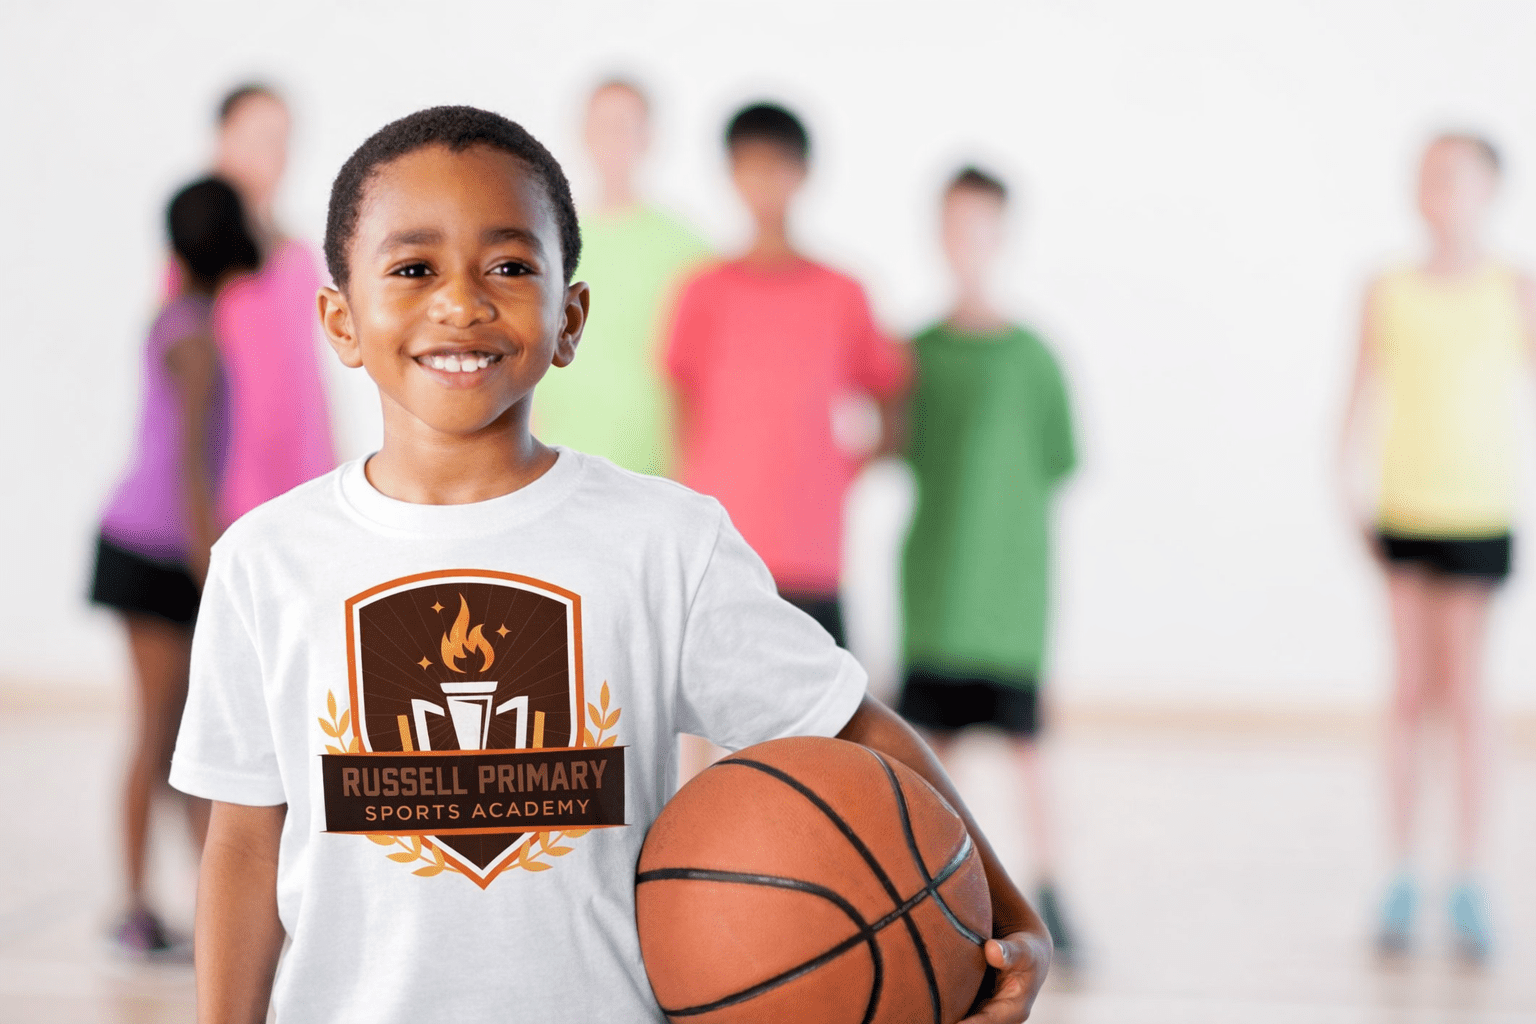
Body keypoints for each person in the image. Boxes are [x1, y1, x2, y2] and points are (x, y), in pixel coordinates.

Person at [168, 105, 1050, 1023]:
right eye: (413, 267)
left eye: (509, 266)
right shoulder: (266, 561)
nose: (461, 300)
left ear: (571, 317)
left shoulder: (665, 542)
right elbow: (244, 839)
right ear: (342, 322)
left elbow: (848, 724)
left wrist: (1012, 911)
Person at [1338, 133, 1536, 960]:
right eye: (1429, 177)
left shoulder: (1511, 289)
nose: (1440, 192)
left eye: (1456, 177)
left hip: (1478, 513)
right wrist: (1346, 492)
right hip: (1405, 511)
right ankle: (1401, 873)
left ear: (1489, 188)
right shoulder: (1385, 289)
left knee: (1467, 695)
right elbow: (1356, 393)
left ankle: (1468, 878)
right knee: (1408, 694)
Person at [896, 167, 1080, 962]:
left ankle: (1055, 895)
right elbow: (888, 445)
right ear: (938, 235)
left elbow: (1057, 465)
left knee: (1030, 755)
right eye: (954, 226)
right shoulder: (913, 355)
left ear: (1002, 236)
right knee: (923, 766)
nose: (967, 244)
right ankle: (918, 898)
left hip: (1010, 605)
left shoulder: (1035, 359)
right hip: (937, 594)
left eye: (981, 227)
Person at [665, 102, 908, 648]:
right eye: (748, 168)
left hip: (813, 552)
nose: (763, 186)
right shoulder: (703, 291)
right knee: (706, 707)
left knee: (826, 718)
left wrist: (845, 471)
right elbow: (682, 405)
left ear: (803, 175)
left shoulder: (845, 293)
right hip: (725, 545)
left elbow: (890, 393)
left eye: (776, 168)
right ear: (729, 176)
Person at [93, 177, 260, 955]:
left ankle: (198, 907)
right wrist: (215, 572)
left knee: (175, 741)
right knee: (164, 736)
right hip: (158, 553)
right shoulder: (192, 336)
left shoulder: (181, 320)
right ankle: (139, 908)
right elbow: (193, 473)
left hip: (146, 545)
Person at [171, 84, 335, 522]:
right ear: (222, 140)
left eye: (281, 140)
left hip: (301, 486)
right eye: (255, 137)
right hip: (229, 497)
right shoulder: (195, 259)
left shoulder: (298, 257)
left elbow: (311, 381)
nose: (272, 155)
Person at [534, 78, 709, 477]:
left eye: (625, 125)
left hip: (657, 465)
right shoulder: (545, 240)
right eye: (602, 125)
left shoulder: (690, 250)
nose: (613, 139)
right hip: (558, 459)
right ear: (582, 135)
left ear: (649, 138)